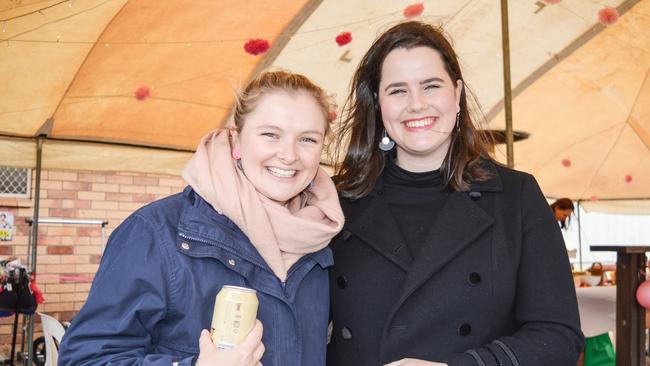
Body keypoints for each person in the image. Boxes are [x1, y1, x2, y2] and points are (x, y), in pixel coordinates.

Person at [327, 21, 584, 366]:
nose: (416, 104)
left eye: (431, 86)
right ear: (377, 102)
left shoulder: (515, 196)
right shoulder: (335, 200)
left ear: (457, 93)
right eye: (397, 90)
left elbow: (559, 336)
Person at [58, 71, 345, 366]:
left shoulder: (324, 235)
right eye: (270, 134)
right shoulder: (156, 233)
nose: (289, 154)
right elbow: (84, 359)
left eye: (308, 139)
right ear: (236, 140)